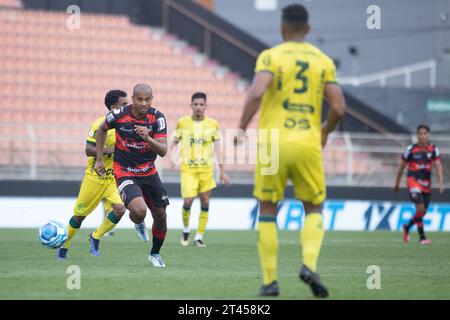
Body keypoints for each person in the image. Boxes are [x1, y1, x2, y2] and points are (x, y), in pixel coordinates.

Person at [236, 4, 346, 297]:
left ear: (282, 29)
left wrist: (241, 128)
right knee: (313, 207)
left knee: (268, 207)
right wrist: (324, 130)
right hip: (308, 142)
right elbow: (338, 107)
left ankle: (270, 281)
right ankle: (309, 264)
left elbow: (257, 92)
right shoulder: (323, 60)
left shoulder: (271, 56)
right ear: (307, 29)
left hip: (273, 143)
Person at [94, 83, 170, 267]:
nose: (144, 103)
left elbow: (163, 151)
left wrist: (148, 138)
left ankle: (154, 254)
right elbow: (101, 130)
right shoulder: (118, 115)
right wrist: (99, 159)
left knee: (161, 215)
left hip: (148, 171)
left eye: (148, 99)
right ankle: (139, 222)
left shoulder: (157, 118)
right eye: (140, 99)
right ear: (133, 99)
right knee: (139, 211)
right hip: (124, 170)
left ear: (152, 99)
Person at [57, 90, 128, 260]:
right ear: (113, 107)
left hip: (112, 179)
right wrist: (110, 150)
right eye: (123, 105)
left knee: (120, 209)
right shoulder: (99, 125)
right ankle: (64, 245)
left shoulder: (126, 127)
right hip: (95, 177)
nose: (127, 108)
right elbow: (88, 150)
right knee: (79, 216)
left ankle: (95, 236)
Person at [170, 92, 230, 247]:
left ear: (205, 106)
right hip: (188, 170)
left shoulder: (213, 124)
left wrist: (222, 171)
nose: (198, 107)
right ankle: (185, 230)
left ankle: (199, 236)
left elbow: (218, 149)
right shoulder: (182, 122)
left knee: (205, 201)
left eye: (201, 104)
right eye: (195, 104)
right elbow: (174, 142)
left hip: (206, 170)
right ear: (191, 105)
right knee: (188, 201)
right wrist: (172, 157)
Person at [393, 124, 444, 244]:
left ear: (429, 135)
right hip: (413, 182)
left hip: (426, 184)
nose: (422, 136)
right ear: (417, 136)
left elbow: (437, 166)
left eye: (425, 133)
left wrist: (441, 182)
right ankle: (422, 237)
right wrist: (397, 183)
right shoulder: (410, 150)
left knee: (423, 212)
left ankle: (407, 227)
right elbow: (401, 166)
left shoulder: (433, 149)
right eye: (420, 133)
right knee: (419, 208)